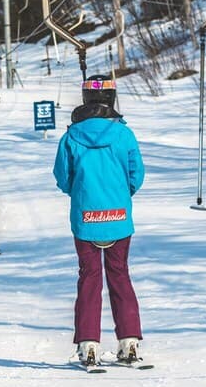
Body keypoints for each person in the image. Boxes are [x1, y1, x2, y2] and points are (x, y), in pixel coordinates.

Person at [53, 74, 145, 368]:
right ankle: (129, 342)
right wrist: (120, 194)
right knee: (120, 275)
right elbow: (137, 175)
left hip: (85, 218)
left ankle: (88, 344)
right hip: (119, 217)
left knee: (89, 278)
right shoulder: (124, 135)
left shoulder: (71, 136)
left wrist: (79, 193)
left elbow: (62, 177)